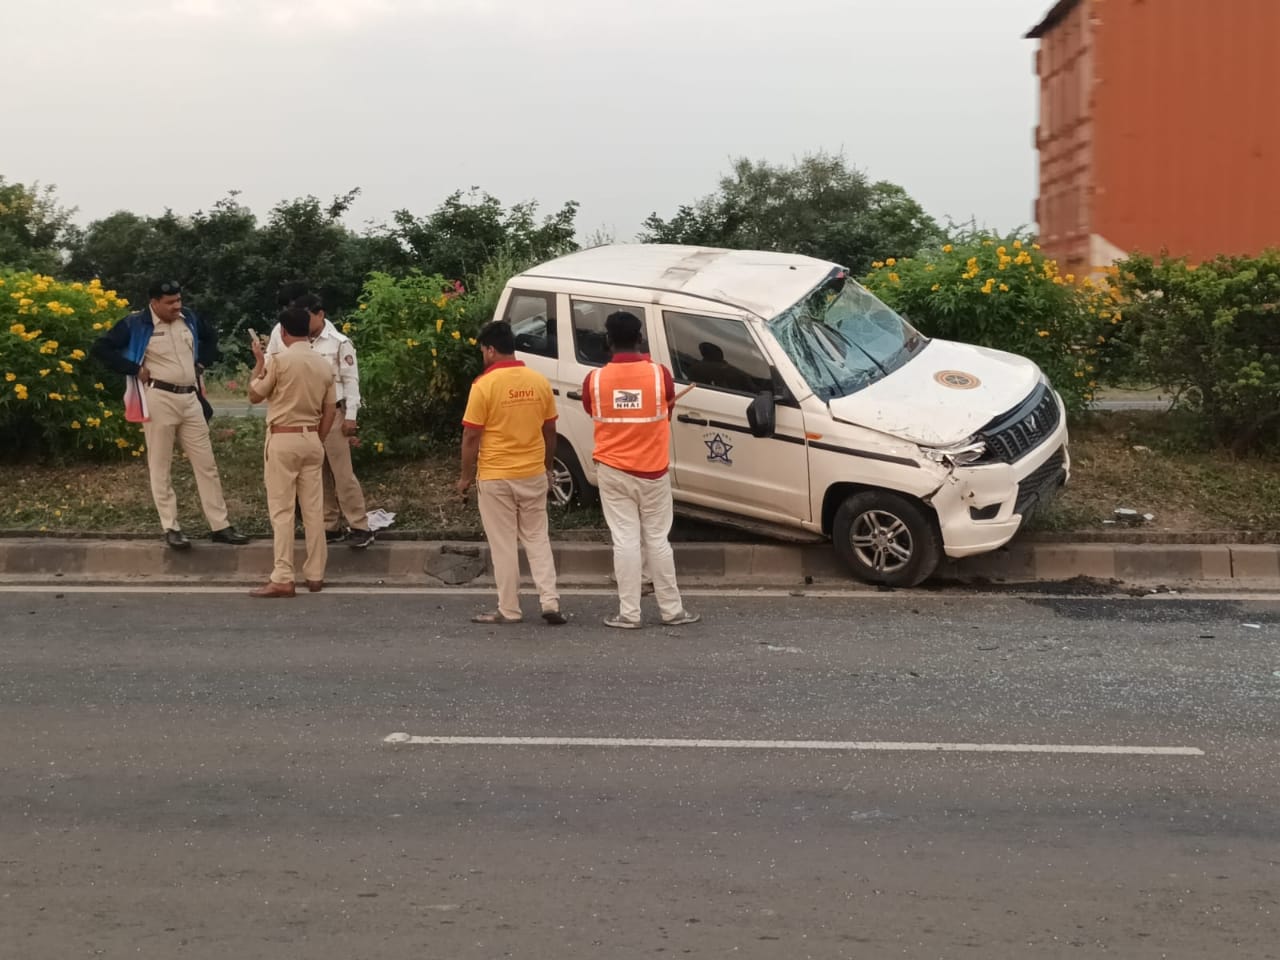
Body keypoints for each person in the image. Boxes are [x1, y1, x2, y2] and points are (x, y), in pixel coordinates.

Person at [91, 279, 250, 550]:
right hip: (159, 398)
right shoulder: (135, 323)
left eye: (179, 300)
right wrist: (132, 368)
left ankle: (220, 525)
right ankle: (171, 527)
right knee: (161, 464)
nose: (177, 306)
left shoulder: (188, 318)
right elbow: (101, 348)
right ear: (154, 303)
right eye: (170, 303)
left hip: (190, 398)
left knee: (206, 464)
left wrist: (203, 361)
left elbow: (211, 338)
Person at [583, 311, 699, 629]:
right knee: (658, 540)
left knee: (625, 540)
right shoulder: (659, 375)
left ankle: (629, 614)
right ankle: (672, 611)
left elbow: (592, 410)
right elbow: (668, 411)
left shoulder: (594, 381)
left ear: (608, 341)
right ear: (640, 339)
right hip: (653, 472)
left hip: (613, 470)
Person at [456, 320, 566, 626]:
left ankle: (509, 609)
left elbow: (470, 437)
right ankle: (550, 601)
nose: (483, 356)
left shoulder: (483, 386)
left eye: (483, 351)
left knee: (503, 545)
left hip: (495, 477)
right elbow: (550, 430)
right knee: (537, 539)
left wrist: (465, 477)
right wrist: (546, 467)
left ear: (491, 350)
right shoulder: (538, 381)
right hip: (532, 473)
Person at [266, 293, 374, 548]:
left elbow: (350, 380)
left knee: (342, 473)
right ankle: (329, 525)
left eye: (307, 317)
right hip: (304, 416)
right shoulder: (290, 340)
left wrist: (351, 416)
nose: (302, 322)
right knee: (317, 473)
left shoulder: (338, 342)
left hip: (333, 413)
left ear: (320, 315)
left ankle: (359, 525)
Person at [246, 306, 337, 598]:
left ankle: (284, 575)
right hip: (312, 439)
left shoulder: (279, 361)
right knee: (313, 511)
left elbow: (255, 394)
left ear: (283, 332)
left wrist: (259, 362)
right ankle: (315, 574)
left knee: (283, 511)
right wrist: (317, 437)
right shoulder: (324, 364)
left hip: (283, 439)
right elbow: (330, 409)